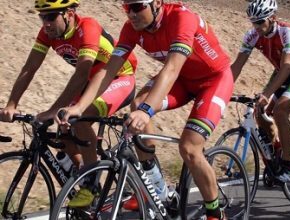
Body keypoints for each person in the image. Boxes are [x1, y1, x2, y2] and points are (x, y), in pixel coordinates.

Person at [57, 0, 233, 219]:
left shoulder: (181, 18)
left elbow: (171, 68)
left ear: (157, 3)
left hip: (213, 80)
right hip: (183, 81)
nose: (131, 14)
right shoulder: (131, 28)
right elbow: (110, 70)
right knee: (138, 104)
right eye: (126, 8)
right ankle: (154, 180)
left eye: (137, 7)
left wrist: (146, 111)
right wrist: (80, 107)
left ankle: (215, 213)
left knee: (189, 148)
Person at [0, 0, 137, 207]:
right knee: (62, 128)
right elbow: (30, 68)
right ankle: (85, 168)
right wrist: (11, 104)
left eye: (51, 16)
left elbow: (82, 73)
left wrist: (53, 109)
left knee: (78, 120)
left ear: (69, 13)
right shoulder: (47, 33)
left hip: (119, 78)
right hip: (93, 82)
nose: (46, 23)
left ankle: (92, 184)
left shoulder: (87, 27)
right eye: (42, 16)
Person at [231, 0, 290, 183]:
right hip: (280, 73)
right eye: (254, 22)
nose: (257, 27)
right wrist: (223, 88)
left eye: (261, 22)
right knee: (259, 114)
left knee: (280, 111)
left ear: (273, 18)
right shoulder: (251, 36)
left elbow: (286, 67)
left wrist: (267, 94)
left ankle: (287, 162)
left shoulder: (288, 32)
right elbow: (237, 66)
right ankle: (276, 149)